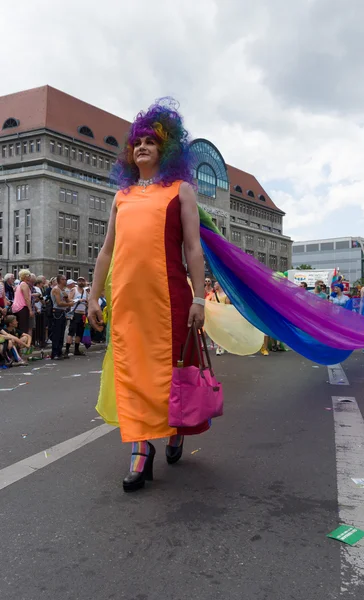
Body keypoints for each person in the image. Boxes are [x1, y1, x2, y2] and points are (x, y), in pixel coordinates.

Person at [88, 98, 207, 493]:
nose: (141, 147)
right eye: (136, 142)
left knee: (169, 372)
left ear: (165, 150)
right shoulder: (121, 197)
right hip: (125, 302)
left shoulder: (180, 190)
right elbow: (106, 250)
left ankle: (174, 429)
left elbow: (193, 248)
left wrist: (200, 298)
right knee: (132, 374)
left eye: (151, 142)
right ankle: (141, 450)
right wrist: (92, 297)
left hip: (168, 298)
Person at [51, 275, 74, 360]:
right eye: (64, 279)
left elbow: (67, 300)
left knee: (61, 333)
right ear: (60, 280)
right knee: (57, 333)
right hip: (57, 311)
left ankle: (59, 352)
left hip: (63, 312)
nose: (65, 281)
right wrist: (69, 304)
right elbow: (59, 303)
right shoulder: (56, 289)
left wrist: (72, 301)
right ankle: (55, 353)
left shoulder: (63, 290)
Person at [65, 277, 89, 357]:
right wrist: (78, 300)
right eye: (79, 281)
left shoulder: (85, 291)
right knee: (71, 331)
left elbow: (88, 301)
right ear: (77, 282)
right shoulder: (74, 290)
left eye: (83, 281)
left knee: (79, 332)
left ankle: (76, 349)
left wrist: (86, 303)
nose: (81, 282)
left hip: (82, 314)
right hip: (75, 313)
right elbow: (68, 300)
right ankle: (67, 350)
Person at [209, 281, 230, 355]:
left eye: (215, 284)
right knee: (218, 331)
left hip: (223, 316)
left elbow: (228, 306)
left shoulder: (226, 295)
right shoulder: (214, 295)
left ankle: (223, 346)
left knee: (224, 332)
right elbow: (211, 304)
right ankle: (219, 347)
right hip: (216, 315)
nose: (214, 285)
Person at [12, 269, 33, 337]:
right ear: (25, 276)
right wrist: (30, 310)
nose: (30, 276)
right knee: (23, 328)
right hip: (22, 308)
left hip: (16, 308)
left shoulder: (19, 285)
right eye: (29, 275)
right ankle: (23, 345)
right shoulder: (24, 285)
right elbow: (26, 298)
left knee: (18, 328)